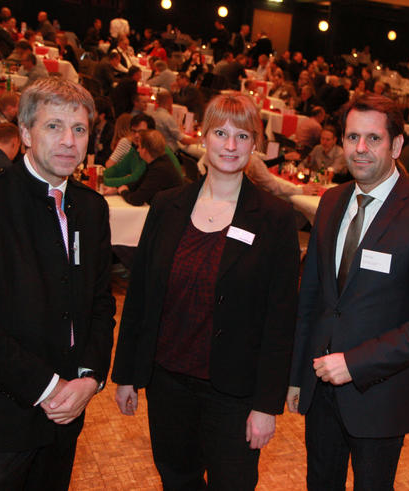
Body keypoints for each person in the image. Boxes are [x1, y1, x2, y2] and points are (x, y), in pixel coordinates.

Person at [111, 93, 299, 490]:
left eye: (242, 136)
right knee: (177, 480)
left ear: (255, 144)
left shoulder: (275, 219)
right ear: (204, 137)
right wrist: (127, 373)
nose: (230, 146)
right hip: (168, 384)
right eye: (220, 133)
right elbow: (141, 296)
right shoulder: (167, 205)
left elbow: (280, 322)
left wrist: (267, 405)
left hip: (235, 393)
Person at [0, 76, 115, 490]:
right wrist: (49, 387)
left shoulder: (91, 208)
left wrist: (89, 378)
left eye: (79, 129)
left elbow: (101, 303)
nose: (69, 141)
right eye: (53, 126)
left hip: (64, 419)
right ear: (24, 133)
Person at [287, 93, 409, 490]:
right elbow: (311, 297)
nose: (360, 149)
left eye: (373, 139)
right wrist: (298, 376)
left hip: (381, 393)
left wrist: (356, 363)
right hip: (321, 389)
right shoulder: (331, 202)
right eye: (352, 138)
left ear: (397, 145)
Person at [113, 129, 182, 205]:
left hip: (169, 212)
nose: (138, 150)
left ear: (145, 150)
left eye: (139, 147)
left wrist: (123, 191)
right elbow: (139, 183)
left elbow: (137, 200)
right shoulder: (158, 161)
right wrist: (118, 188)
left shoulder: (159, 169)